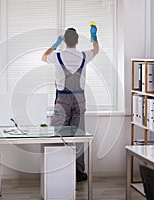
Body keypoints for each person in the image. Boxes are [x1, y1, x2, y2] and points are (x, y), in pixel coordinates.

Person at [42, 25, 99, 182]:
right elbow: (96, 50)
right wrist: (94, 36)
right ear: (78, 41)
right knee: (79, 136)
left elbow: (44, 57)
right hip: (79, 99)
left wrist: (55, 44)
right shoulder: (84, 55)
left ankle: (59, 169)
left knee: (58, 134)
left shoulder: (57, 56)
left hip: (62, 100)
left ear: (65, 41)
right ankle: (78, 172)